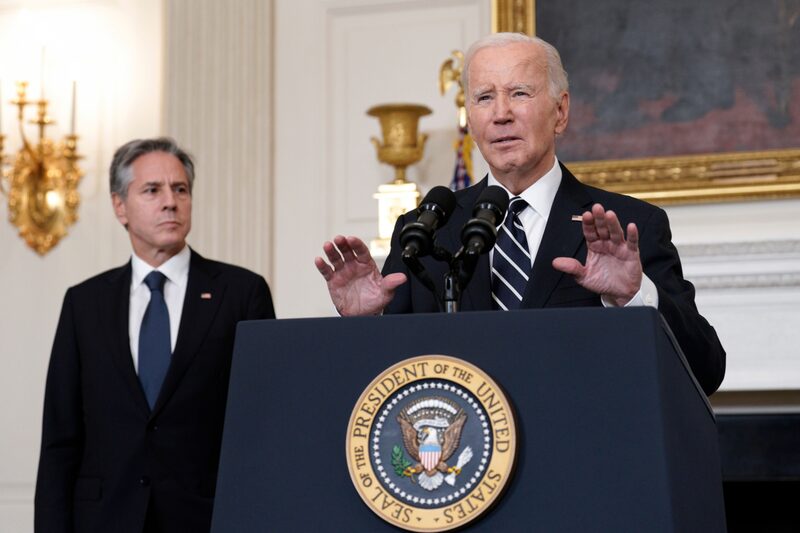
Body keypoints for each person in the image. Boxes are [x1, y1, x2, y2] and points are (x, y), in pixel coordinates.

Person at [315, 33, 725, 395]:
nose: (501, 114)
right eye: (484, 97)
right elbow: (387, 381)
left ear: (560, 112)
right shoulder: (427, 230)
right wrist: (366, 322)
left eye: (520, 93)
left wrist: (635, 296)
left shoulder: (627, 225)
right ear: (471, 120)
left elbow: (705, 370)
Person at [35, 138, 275, 533]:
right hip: (103, 519)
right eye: (152, 190)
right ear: (119, 206)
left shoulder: (241, 293)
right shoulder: (84, 304)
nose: (170, 202)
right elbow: (60, 440)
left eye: (180, 189)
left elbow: (262, 424)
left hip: (207, 519)